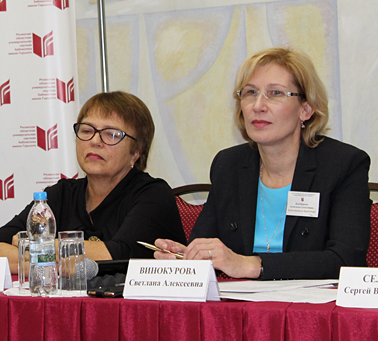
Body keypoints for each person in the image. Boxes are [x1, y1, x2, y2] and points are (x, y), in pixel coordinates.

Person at [154, 47, 371, 280]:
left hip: (312, 301)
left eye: (275, 93)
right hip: (239, 299)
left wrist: (252, 265)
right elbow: (206, 243)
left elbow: (346, 259)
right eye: (250, 92)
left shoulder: (343, 164)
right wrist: (187, 257)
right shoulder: (229, 165)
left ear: (305, 109)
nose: (258, 105)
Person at [0, 91, 185, 270]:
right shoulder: (61, 194)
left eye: (111, 135)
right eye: (87, 131)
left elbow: (116, 255)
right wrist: (57, 262)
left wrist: (36, 247)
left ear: (136, 152)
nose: (95, 141)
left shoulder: (153, 194)